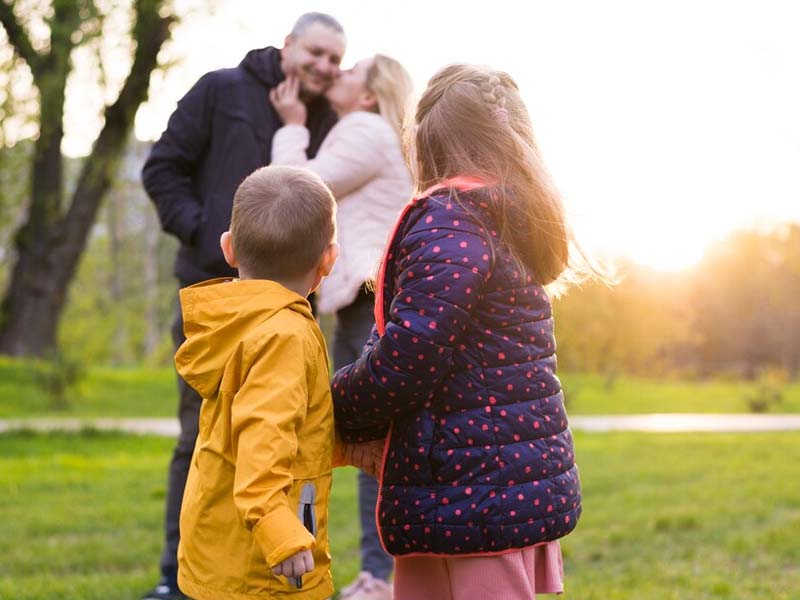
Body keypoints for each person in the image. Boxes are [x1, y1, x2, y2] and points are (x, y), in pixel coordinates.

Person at [331, 63, 584, 600]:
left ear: (427, 143)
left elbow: (410, 353)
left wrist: (336, 405)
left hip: (473, 490)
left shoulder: (448, 218)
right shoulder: (505, 217)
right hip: (479, 486)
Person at [140, 13, 346, 600]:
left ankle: (196, 571)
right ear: (288, 46)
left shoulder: (323, 116)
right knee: (203, 439)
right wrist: (209, 236)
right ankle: (172, 574)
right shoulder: (221, 89)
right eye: (316, 52)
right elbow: (161, 169)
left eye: (335, 59)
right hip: (219, 299)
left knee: (254, 430)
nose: (324, 67)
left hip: (283, 296)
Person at [269, 53, 414, 600]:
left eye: (351, 69)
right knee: (373, 437)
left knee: (362, 436)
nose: (339, 74)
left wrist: (293, 128)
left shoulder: (363, 128)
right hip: (372, 297)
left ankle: (378, 577)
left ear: (370, 93)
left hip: (365, 298)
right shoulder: (381, 133)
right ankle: (389, 571)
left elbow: (297, 188)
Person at [173, 165, 339, 600]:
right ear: (329, 258)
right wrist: (278, 531)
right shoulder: (284, 335)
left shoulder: (239, 324)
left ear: (228, 248)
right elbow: (263, 438)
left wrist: (349, 448)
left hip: (221, 551)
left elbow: (280, 428)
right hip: (262, 570)